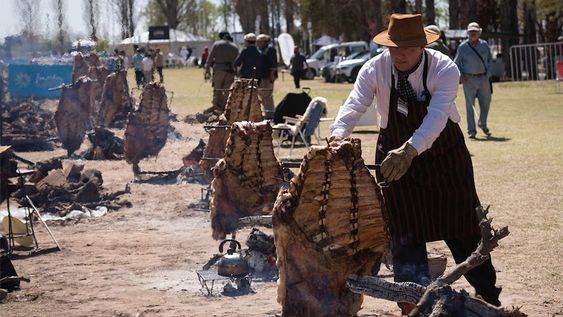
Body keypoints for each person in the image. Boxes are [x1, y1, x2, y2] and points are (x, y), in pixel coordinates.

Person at [329, 14, 502, 314]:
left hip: (444, 157)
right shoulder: (375, 68)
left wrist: (410, 150)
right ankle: (412, 306)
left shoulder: (444, 68)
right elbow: (355, 103)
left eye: (409, 47)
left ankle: (488, 296)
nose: (401, 54)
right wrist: (336, 136)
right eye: (396, 47)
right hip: (394, 162)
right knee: (404, 231)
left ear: (422, 45)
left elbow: (436, 118)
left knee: (463, 230)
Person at [454, 22, 493, 139]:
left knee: (486, 103)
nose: (473, 33)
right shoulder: (462, 46)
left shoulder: (484, 45)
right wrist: (461, 76)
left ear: (479, 32)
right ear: (467, 33)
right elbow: (456, 63)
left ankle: (483, 123)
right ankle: (471, 131)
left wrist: (489, 74)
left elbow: (490, 60)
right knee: (470, 106)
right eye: (471, 31)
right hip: (468, 79)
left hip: (483, 78)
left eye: (475, 31)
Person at [205, 32, 239, 111]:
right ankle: (225, 107)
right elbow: (237, 61)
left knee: (217, 88)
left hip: (219, 69)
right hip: (231, 71)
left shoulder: (217, 44)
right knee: (227, 90)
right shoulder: (235, 46)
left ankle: (216, 105)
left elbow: (210, 57)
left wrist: (207, 69)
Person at [256, 33, 278, 119]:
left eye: (259, 41)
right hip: (262, 76)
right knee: (263, 95)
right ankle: (267, 112)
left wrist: (272, 74)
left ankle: (271, 113)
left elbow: (273, 63)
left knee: (267, 95)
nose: (257, 43)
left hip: (268, 76)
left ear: (264, 42)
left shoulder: (270, 49)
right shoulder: (261, 50)